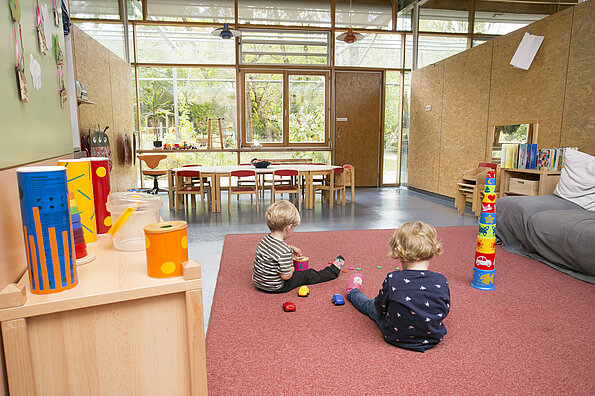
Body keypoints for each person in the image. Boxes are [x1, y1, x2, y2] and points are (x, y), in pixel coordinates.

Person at [345, 221, 450, 352]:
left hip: (396, 336)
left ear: (399, 252)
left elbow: (379, 307)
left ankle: (353, 292)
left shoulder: (394, 279)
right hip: (433, 337)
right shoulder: (441, 280)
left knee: (370, 305)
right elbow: (444, 310)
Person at [253, 200, 345, 293]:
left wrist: (290, 248)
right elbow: (285, 276)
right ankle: (333, 271)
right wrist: (292, 269)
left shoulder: (265, 239)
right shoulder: (284, 251)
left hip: (259, 283)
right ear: (288, 227)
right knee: (307, 274)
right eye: (294, 227)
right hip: (276, 286)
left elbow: (273, 250)